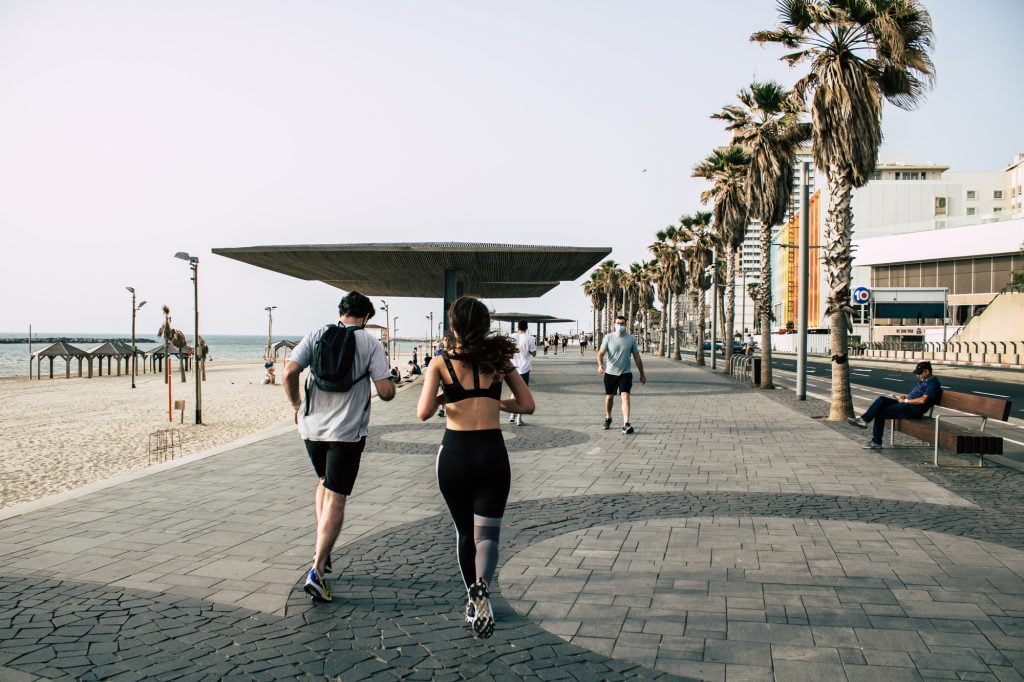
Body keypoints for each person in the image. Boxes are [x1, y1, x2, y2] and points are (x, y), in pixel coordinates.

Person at [416, 297, 534, 638]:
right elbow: (527, 405)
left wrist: (443, 398)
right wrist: (496, 401)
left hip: (454, 454)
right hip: (492, 454)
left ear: (453, 328)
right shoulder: (500, 361)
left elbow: (422, 413)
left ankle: (472, 598)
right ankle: (483, 589)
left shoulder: (440, 363)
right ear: (486, 326)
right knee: (488, 535)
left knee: (465, 532)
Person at [283, 291, 396, 603]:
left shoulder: (317, 334)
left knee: (324, 483)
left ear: (340, 311)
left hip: (311, 429)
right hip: (346, 433)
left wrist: (296, 404)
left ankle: (324, 546)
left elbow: (289, 371)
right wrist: (391, 386)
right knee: (337, 496)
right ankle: (317, 570)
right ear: (367, 318)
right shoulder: (370, 343)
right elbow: (385, 391)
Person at [848, 361, 941, 449]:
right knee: (881, 400)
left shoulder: (933, 383)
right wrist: (905, 397)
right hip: (907, 404)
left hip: (913, 409)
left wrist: (905, 401)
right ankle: (864, 420)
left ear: (927, 371)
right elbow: (916, 395)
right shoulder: (924, 381)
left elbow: (922, 400)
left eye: (920, 373)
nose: (918, 376)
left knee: (880, 412)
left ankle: (876, 441)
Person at [597, 314, 647, 434]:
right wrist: (600, 364)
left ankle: (626, 423)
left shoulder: (631, 339)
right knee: (609, 397)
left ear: (626, 325)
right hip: (610, 373)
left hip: (625, 373)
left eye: (622, 324)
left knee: (625, 396)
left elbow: (636, 357)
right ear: (614, 325)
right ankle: (608, 417)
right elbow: (600, 354)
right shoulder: (608, 338)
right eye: (618, 323)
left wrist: (642, 373)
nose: (620, 326)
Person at [508, 320, 537, 426]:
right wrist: (528, 351)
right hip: (524, 368)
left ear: (517, 327)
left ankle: (511, 414)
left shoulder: (511, 336)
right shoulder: (531, 338)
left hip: (512, 367)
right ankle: (518, 419)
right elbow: (534, 353)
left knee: (514, 391)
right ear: (526, 328)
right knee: (522, 393)